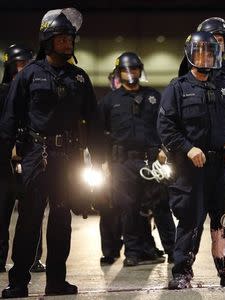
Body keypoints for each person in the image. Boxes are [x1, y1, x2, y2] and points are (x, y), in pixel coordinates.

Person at [0, 8, 103, 298]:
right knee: (29, 220)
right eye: (60, 38)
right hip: (36, 155)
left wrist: (100, 160)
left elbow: (94, 123)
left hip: (68, 158)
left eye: (70, 38)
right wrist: (4, 158)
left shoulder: (80, 78)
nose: (67, 42)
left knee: (61, 220)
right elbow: (9, 119)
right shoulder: (29, 75)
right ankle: (18, 282)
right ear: (47, 41)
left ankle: (56, 281)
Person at [158, 31, 225, 289]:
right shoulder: (177, 88)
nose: (205, 58)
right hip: (190, 170)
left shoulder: (224, 88)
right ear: (190, 55)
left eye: (210, 53)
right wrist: (187, 149)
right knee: (189, 221)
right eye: (200, 53)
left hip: (221, 168)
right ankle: (182, 273)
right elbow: (165, 127)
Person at [98, 52, 172, 267]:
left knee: (161, 205)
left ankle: (173, 250)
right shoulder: (109, 101)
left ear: (141, 70)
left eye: (134, 69)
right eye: (125, 70)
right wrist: (103, 162)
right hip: (122, 163)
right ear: (118, 73)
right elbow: (100, 133)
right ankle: (132, 252)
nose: (130, 73)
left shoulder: (154, 96)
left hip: (152, 161)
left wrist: (164, 150)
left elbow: (165, 126)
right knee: (128, 207)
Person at [0, 44, 47, 274]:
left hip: (31, 157)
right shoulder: (1, 93)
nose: (23, 70)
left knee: (32, 214)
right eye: (18, 66)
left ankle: (33, 259)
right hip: (4, 164)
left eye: (26, 65)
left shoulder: (37, 94)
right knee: (1, 213)